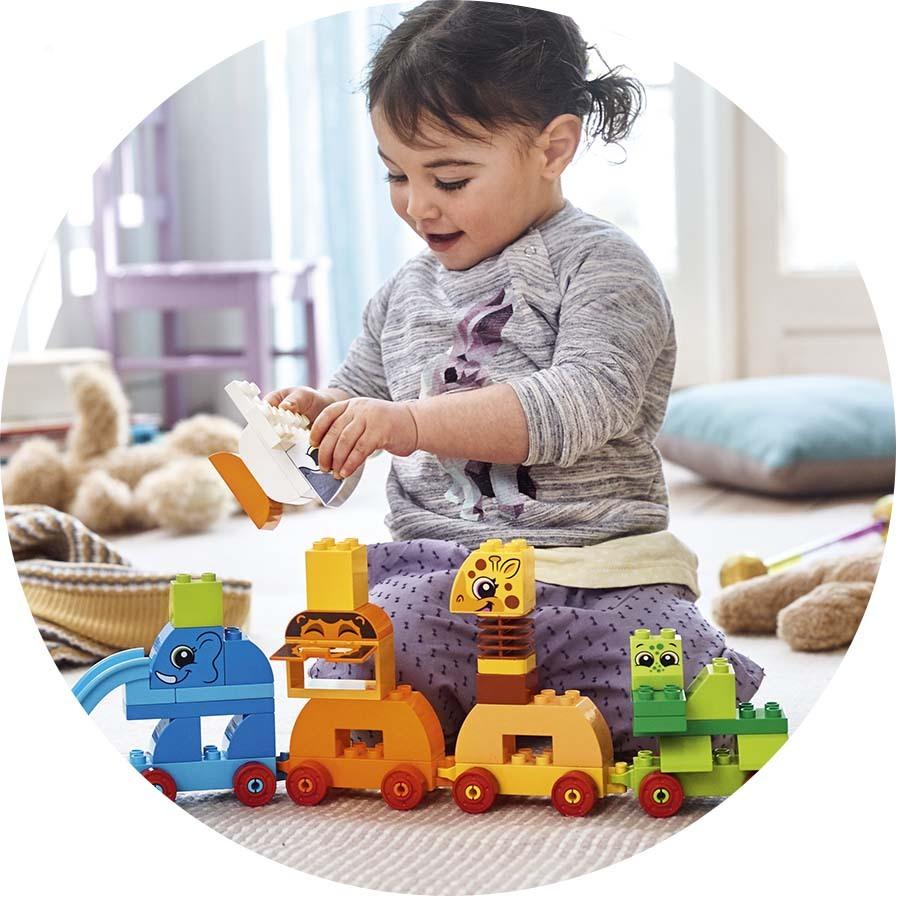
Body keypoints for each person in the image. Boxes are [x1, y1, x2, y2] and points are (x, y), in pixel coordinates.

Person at [266, 0, 762, 755]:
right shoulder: (402, 294)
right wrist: (320, 417)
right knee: (357, 649)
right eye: (396, 174)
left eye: (451, 178)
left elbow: (583, 402)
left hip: (597, 573)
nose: (418, 205)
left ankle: (526, 715)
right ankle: (480, 717)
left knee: (681, 684)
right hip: (447, 571)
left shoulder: (603, 265)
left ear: (552, 148)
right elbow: (358, 401)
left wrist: (409, 423)